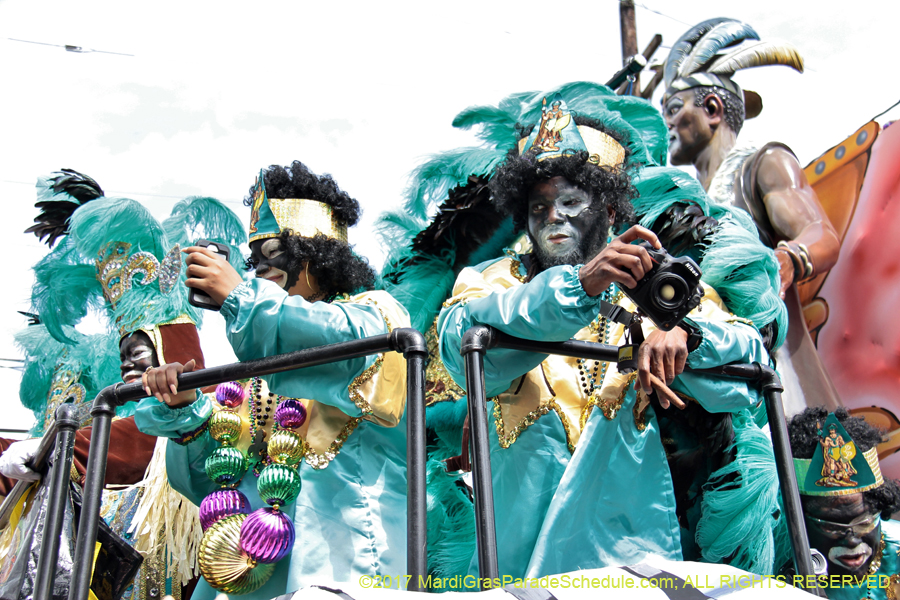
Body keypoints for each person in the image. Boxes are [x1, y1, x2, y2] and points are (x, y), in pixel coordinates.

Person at [436, 89, 784, 579]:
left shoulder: (655, 288)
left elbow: (751, 353)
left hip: (634, 567)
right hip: (518, 566)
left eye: (572, 201)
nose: (553, 217)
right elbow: (458, 341)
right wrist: (580, 285)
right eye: (538, 208)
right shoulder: (492, 280)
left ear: (612, 213)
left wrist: (687, 335)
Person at [138, 161, 411, 598]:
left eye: (275, 254)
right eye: (254, 260)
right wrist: (185, 413)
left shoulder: (375, 313)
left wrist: (242, 297)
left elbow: (336, 343)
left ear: (317, 256)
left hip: (342, 559)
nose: (259, 270)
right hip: (250, 574)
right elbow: (212, 487)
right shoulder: (255, 375)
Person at [0, 168, 244, 598]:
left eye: (141, 356)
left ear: (166, 351)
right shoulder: (114, 422)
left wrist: (55, 447)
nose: (130, 370)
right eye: (124, 359)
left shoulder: (201, 414)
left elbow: (147, 439)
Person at [662, 17, 842, 415]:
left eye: (674, 108)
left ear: (711, 108)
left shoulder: (762, 163)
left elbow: (821, 233)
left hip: (774, 365)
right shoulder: (686, 200)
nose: (667, 123)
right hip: (713, 373)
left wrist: (789, 259)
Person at [788, 407, 900, 599]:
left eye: (864, 523)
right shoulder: (767, 563)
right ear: (799, 521)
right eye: (832, 526)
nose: (852, 540)